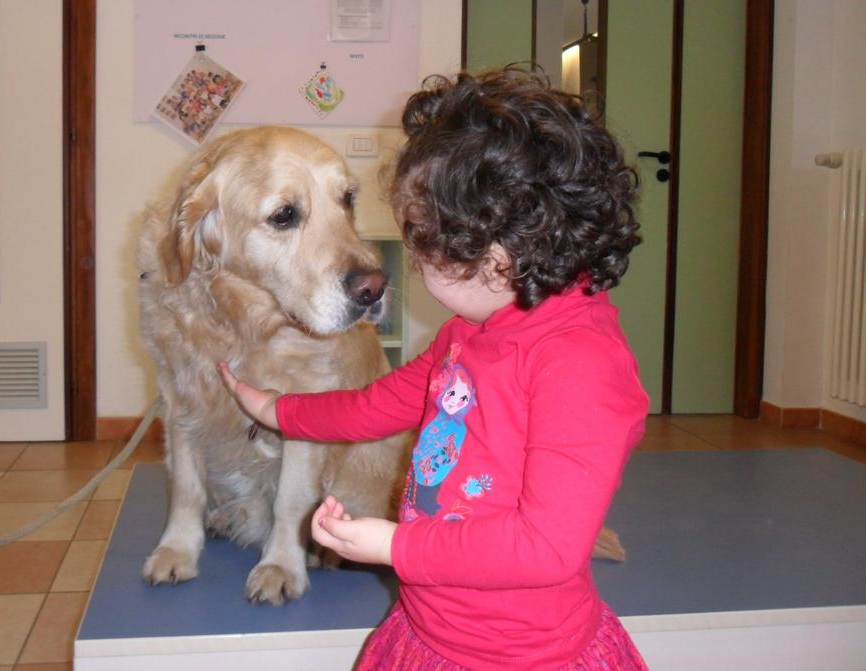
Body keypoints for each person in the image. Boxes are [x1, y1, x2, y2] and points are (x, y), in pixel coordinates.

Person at [219, 67, 650, 671]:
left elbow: (546, 548)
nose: (413, 263)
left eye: (422, 240)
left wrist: (395, 543)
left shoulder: (581, 365)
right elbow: (377, 403)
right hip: (432, 632)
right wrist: (278, 409)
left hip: (519, 656)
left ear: (499, 246)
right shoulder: (469, 334)